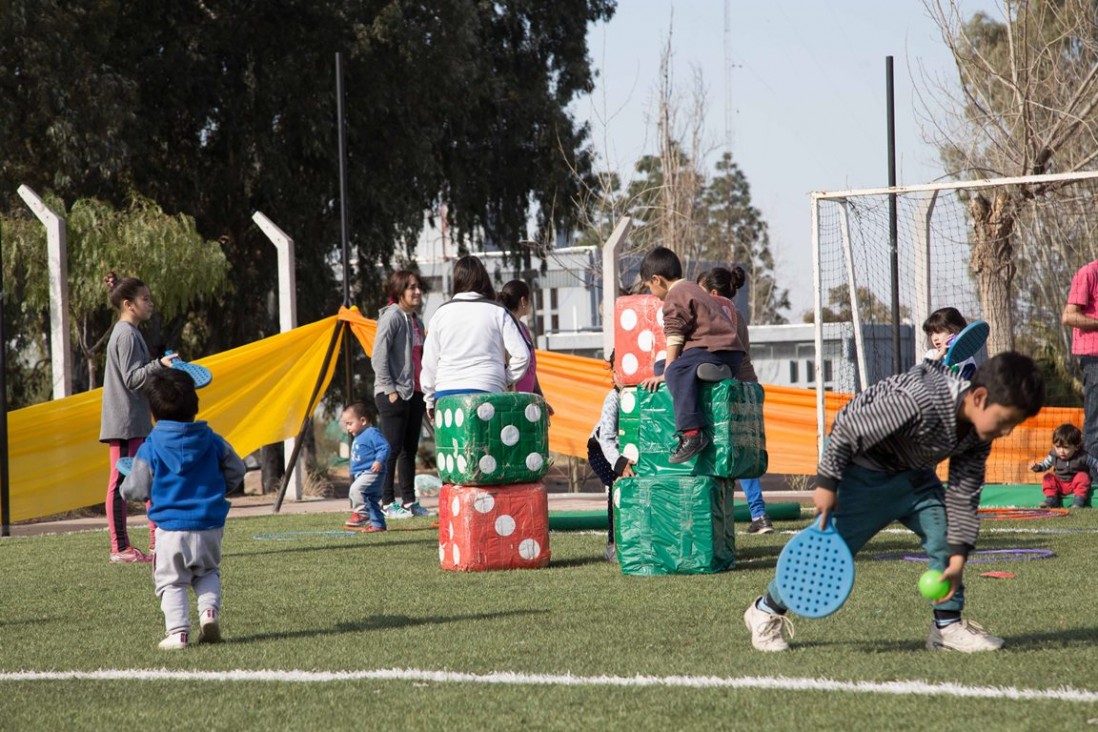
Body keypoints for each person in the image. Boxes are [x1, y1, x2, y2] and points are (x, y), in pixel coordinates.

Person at [743, 352, 1045, 653]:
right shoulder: (918, 399)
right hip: (865, 478)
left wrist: (956, 559)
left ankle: (947, 627)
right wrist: (826, 481)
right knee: (827, 555)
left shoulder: (979, 432)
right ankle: (765, 610)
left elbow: (964, 495)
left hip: (915, 479)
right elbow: (848, 426)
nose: (1006, 432)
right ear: (979, 397)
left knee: (946, 534)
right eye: (1005, 421)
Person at [120, 369, 246, 650]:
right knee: (208, 572)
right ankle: (208, 613)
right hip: (210, 526)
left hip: (171, 529)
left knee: (171, 581)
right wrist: (215, 489)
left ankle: (178, 633)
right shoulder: (211, 439)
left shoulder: (151, 445)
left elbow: (136, 488)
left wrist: (125, 488)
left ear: (153, 413)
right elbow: (237, 470)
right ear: (195, 404)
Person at [638, 247, 745, 464]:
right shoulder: (690, 288)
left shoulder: (675, 295)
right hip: (717, 352)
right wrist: (665, 370)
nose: (651, 293)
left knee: (673, 370)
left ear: (657, 280)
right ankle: (694, 385)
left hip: (718, 352)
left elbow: (675, 335)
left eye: (649, 287)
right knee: (662, 367)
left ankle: (692, 433)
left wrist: (669, 372)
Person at [99, 271, 178, 563]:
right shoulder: (126, 334)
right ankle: (120, 549)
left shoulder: (130, 333)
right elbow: (133, 379)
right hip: (124, 423)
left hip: (134, 421)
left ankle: (158, 542)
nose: (150, 304)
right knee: (120, 482)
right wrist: (160, 365)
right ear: (128, 304)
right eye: (145, 299)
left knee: (148, 479)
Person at [696, 266, 772, 535]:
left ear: (713, 294)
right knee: (742, 452)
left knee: (725, 451)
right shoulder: (736, 314)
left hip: (731, 389)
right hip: (747, 387)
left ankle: (723, 514)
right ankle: (759, 514)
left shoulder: (717, 315)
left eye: (700, 291)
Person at [420, 255, 530, 418]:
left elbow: (429, 363)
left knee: (451, 444)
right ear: (483, 279)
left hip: (447, 397)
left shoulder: (440, 314)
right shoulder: (498, 312)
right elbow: (523, 356)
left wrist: (429, 400)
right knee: (488, 443)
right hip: (488, 392)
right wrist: (503, 379)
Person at [372, 270, 430, 520]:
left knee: (409, 449)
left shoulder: (416, 320)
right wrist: (390, 389)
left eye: (418, 287)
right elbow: (379, 356)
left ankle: (408, 501)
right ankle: (386, 501)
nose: (417, 291)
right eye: (411, 288)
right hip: (393, 393)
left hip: (415, 392)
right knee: (391, 449)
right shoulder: (393, 317)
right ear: (399, 292)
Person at [587, 350, 635, 563]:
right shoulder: (613, 397)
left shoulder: (642, 395)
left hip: (626, 452)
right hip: (601, 450)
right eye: (616, 370)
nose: (620, 374)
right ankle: (613, 544)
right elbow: (606, 438)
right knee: (617, 487)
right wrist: (619, 463)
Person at [498, 279, 554, 418]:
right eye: (530, 299)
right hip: (513, 404)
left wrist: (540, 399)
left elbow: (531, 368)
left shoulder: (523, 329)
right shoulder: (505, 330)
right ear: (523, 301)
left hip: (529, 403)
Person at [1063, 262, 1098, 459]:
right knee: (1095, 424)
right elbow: (1068, 317)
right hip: (1094, 360)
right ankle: (1094, 479)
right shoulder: (1088, 273)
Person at [341, 401, 390, 531]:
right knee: (370, 500)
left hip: (373, 472)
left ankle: (362, 514)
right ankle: (378, 525)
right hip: (363, 473)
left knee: (355, 490)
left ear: (362, 420)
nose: (348, 428)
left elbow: (384, 447)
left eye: (349, 424)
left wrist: (379, 461)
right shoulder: (359, 435)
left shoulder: (371, 433)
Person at [1029, 423, 1098, 509]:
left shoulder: (1083, 456)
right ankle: (1052, 499)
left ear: (1076, 447)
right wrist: (1037, 467)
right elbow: (1045, 464)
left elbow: (1095, 463)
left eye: (1066, 447)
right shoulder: (1054, 455)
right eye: (1058, 447)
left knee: (1083, 476)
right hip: (1060, 484)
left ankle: (1078, 502)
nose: (1061, 451)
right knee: (1048, 477)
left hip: (1075, 484)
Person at [921, 307, 977, 380]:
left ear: (954, 331)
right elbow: (922, 377)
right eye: (931, 334)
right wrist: (940, 354)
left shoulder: (967, 360)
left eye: (939, 332)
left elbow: (966, 387)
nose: (934, 338)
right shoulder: (931, 355)